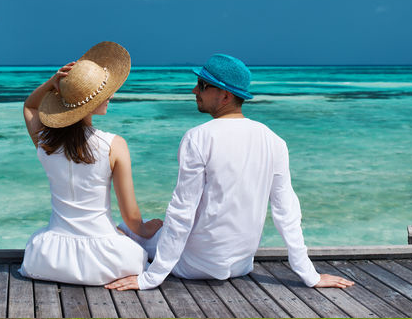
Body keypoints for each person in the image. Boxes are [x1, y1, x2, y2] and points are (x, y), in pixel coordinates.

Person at [106, 53, 354, 291]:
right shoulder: (274, 141)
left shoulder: (198, 137)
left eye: (202, 85)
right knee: (155, 226)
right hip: (240, 265)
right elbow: (286, 212)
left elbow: (182, 213)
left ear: (224, 95)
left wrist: (152, 278)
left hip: (192, 265)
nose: (194, 90)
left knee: (125, 227)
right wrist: (310, 276)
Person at [19, 41, 162, 285]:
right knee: (144, 238)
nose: (111, 96)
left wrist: (53, 82)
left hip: (47, 259)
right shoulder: (114, 145)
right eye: (105, 93)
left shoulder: (45, 143)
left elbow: (30, 107)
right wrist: (150, 229)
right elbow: (131, 218)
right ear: (89, 103)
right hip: (106, 261)